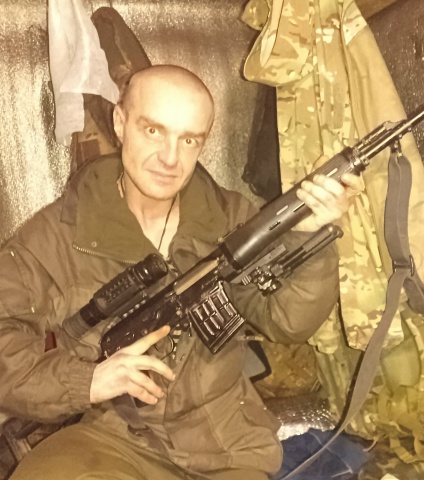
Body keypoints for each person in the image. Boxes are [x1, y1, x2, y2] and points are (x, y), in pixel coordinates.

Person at [0, 65, 363, 479]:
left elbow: (288, 322)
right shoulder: (60, 232)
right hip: (113, 436)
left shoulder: (233, 219)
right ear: (120, 122)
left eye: (189, 140)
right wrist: (88, 381)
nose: (170, 159)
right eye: (153, 131)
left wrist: (308, 236)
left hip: (225, 443)